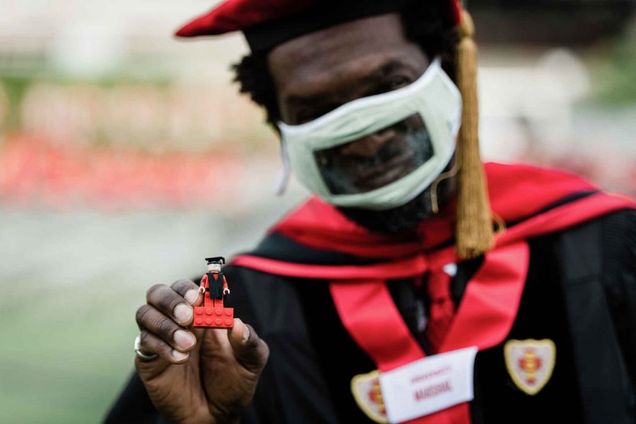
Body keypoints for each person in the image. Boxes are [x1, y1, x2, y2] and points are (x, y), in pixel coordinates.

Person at [105, 0, 636, 423]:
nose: (363, 142)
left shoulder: (607, 244)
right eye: (317, 111)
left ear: (450, 71)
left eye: (387, 87)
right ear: (280, 128)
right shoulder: (240, 316)